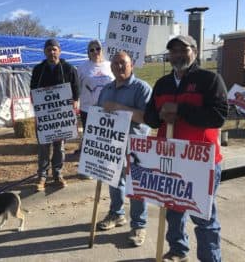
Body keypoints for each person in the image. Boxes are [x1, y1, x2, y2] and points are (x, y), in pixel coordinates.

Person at [143, 35, 228, 262]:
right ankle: (178, 250)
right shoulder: (162, 84)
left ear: (195, 52)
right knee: (173, 209)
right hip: (170, 158)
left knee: (203, 216)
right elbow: (150, 118)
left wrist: (180, 110)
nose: (178, 54)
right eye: (174, 51)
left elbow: (219, 117)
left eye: (184, 49)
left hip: (201, 161)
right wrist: (160, 115)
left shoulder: (209, 79)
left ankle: (210, 258)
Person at [96, 51, 152, 247]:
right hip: (112, 144)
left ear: (132, 65)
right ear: (111, 67)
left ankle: (139, 225)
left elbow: (147, 118)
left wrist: (118, 107)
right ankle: (117, 214)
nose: (119, 66)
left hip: (136, 144)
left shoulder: (141, 88)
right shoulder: (106, 89)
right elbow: (98, 113)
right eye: (116, 63)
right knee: (113, 180)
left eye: (123, 63)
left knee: (136, 186)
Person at [30, 39, 79, 191]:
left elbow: (76, 89)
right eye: (49, 49)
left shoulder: (69, 68)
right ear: (45, 52)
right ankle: (42, 176)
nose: (52, 52)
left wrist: (75, 101)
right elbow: (33, 90)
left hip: (62, 116)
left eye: (54, 49)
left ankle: (58, 174)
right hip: (45, 116)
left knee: (59, 146)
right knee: (43, 146)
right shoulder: (39, 69)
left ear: (59, 51)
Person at [75, 40, 114, 165]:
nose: (95, 52)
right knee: (91, 139)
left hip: (108, 109)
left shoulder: (110, 65)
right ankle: (90, 165)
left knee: (107, 137)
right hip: (88, 109)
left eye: (97, 49)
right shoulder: (82, 68)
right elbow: (76, 87)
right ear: (88, 53)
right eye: (92, 50)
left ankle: (105, 164)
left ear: (102, 50)